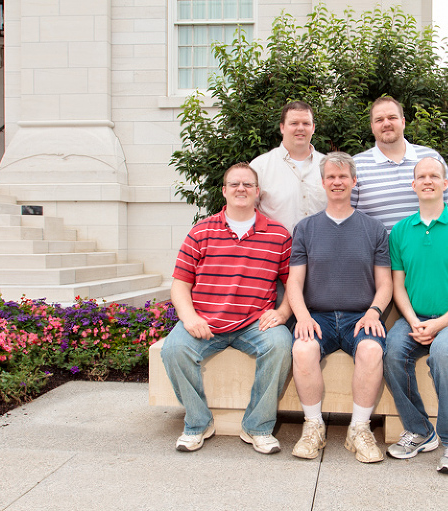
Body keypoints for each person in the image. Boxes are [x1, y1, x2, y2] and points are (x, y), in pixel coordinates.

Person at [161, 163, 293, 455]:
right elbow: (180, 284)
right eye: (234, 184)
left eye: (247, 184)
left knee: (282, 345)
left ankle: (257, 427)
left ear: (258, 192)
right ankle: (197, 424)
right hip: (204, 321)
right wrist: (190, 316)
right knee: (172, 349)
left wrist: (283, 313)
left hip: (253, 324)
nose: (241, 189)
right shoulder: (201, 231)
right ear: (224, 191)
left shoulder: (278, 235)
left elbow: (294, 282)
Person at [383, 157, 448, 475]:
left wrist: (440, 324)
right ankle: (418, 430)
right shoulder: (401, 231)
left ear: (445, 184)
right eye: (421, 176)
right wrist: (414, 321)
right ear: (413, 185)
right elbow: (397, 286)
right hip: (415, 318)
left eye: (434, 176)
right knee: (389, 352)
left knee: (442, 353)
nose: (427, 180)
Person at [286, 151, 393, 463]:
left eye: (343, 176)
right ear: (323, 182)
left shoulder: (374, 229)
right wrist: (302, 316)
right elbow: (294, 282)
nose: (337, 182)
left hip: (360, 316)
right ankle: (313, 427)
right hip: (316, 316)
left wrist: (374, 312)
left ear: (353, 180)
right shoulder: (305, 228)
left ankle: (358, 429)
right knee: (303, 350)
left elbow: (385, 283)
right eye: (331, 176)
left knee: (372, 350)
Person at [351, 96, 448, 233]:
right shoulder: (355, 166)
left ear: (403, 122)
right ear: (372, 127)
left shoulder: (432, 159)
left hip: (428, 252)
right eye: (379, 120)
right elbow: (345, 218)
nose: (386, 123)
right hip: (376, 254)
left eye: (392, 117)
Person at [250, 101, 327, 235]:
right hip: (276, 253)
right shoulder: (260, 167)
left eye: (306, 123)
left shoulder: (328, 166)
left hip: (322, 253)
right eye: (294, 123)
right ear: (282, 127)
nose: (300, 128)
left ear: (313, 128)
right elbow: (247, 213)